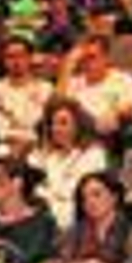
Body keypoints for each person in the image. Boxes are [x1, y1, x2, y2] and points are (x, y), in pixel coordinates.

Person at [28, 97, 110, 229]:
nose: (56, 128)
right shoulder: (41, 155)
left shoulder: (93, 155)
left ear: (78, 125)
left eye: (63, 123)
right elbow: (31, 189)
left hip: (75, 220)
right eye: (52, 124)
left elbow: (80, 193)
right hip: (41, 216)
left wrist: (50, 193)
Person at [59, 34, 132, 139]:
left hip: (108, 136)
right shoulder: (74, 83)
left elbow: (127, 110)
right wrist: (68, 64)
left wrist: (114, 114)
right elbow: (55, 108)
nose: (87, 63)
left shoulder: (123, 81)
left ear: (106, 58)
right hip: (74, 137)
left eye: (92, 57)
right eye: (83, 59)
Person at [0, 36, 55, 150]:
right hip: (3, 148)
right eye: (10, 57)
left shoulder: (46, 89)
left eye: (21, 55)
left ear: (30, 58)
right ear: (3, 60)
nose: (16, 61)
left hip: (38, 147)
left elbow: (47, 126)